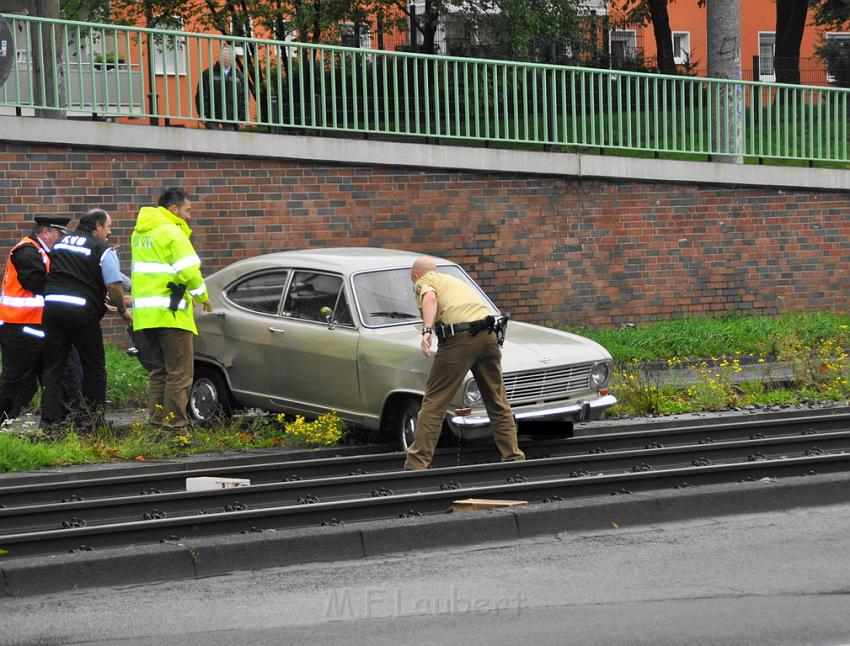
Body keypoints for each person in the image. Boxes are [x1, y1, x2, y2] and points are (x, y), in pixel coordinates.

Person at [404, 256, 525, 470]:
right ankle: (513, 457)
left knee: (434, 403)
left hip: (459, 339)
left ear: (415, 275)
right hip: (488, 335)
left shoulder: (426, 281)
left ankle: (416, 465)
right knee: (497, 400)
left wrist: (426, 330)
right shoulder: (454, 281)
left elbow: (430, 298)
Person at [39, 209, 131, 433]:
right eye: (108, 227)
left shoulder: (61, 243)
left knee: (53, 367)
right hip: (80, 313)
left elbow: (67, 273)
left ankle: (50, 423)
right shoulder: (101, 248)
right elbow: (114, 286)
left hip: (51, 310)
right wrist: (122, 310)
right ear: (97, 226)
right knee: (95, 367)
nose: (109, 232)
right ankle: (91, 421)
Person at [131, 188, 211, 432]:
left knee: (160, 372)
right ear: (174, 209)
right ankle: (175, 429)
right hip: (171, 313)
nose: (189, 216)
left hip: (146, 316)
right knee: (180, 373)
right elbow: (189, 271)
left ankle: (156, 426)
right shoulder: (171, 232)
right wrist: (203, 296)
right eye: (187, 210)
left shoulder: (140, 233)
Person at [0, 215, 70, 424]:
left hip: (34, 327)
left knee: (55, 378)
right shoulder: (27, 251)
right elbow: (37, 284)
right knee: (17, 381)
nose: (61, 239)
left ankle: (56, 426)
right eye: (59, 234)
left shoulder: (41, 251)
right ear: (45, 232)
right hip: (20, 328)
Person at [195, 45, 246, 131]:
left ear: (233, 59)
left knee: (231, 141)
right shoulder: (208, 74)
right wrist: (202, 113)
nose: (227, 59)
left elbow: (243, 98)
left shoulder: (239, 76)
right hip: (212, 114)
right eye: (225, 56)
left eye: (229, 56)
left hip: (231, 116)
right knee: (213, 141)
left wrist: (243, 118)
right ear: (220, 57)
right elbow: (202, 95)